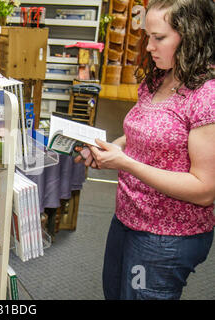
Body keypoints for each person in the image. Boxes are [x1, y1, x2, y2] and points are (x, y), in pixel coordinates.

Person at [75, 0, 215, 300]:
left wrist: (125, 164)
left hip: (166, 236)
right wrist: (108, 149)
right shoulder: (160, 77)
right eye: (147, 37)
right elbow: (140, 133)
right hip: (128, 218)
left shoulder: (207, 96)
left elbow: (205, 189)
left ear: (191, 36)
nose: (149, 47)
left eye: (159, 38)